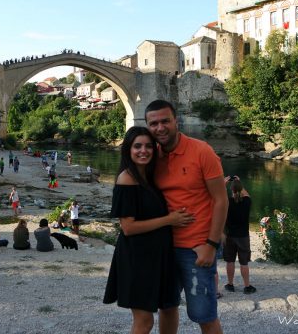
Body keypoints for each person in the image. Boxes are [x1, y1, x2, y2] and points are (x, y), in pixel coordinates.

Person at [145, 99, 228, 334]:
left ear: (176, 121)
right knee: (167, 307)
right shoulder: (151, 156)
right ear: (147, 125)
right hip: (163, 247)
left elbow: (221, 200)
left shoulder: (202, 151)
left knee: (205, 314)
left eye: (165, 121)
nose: (160, 128)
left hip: (197, 248)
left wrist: (211, 244)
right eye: (154, 123)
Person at [103, 126, 194, 334]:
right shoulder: (127, 179)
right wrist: (169, 220)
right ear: (128, 150)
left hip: (159, 256)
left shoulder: (149, 177)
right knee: (144, 322)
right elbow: (128, 227)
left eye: (148, 146)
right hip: (138, 258)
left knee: (169, 308)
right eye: (137, 146)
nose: (143, 151)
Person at [223, 175, 255, 294]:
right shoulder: (247, 201)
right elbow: (246, 194)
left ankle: (230, 284)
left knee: (230, 261)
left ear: (231, 190)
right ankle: (247, 286)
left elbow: (218, 196)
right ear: (241, 189)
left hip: (229, 236)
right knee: (244, 262)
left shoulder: (227, 202)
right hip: (243, 237)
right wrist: (238, 182)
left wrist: (223, 183)